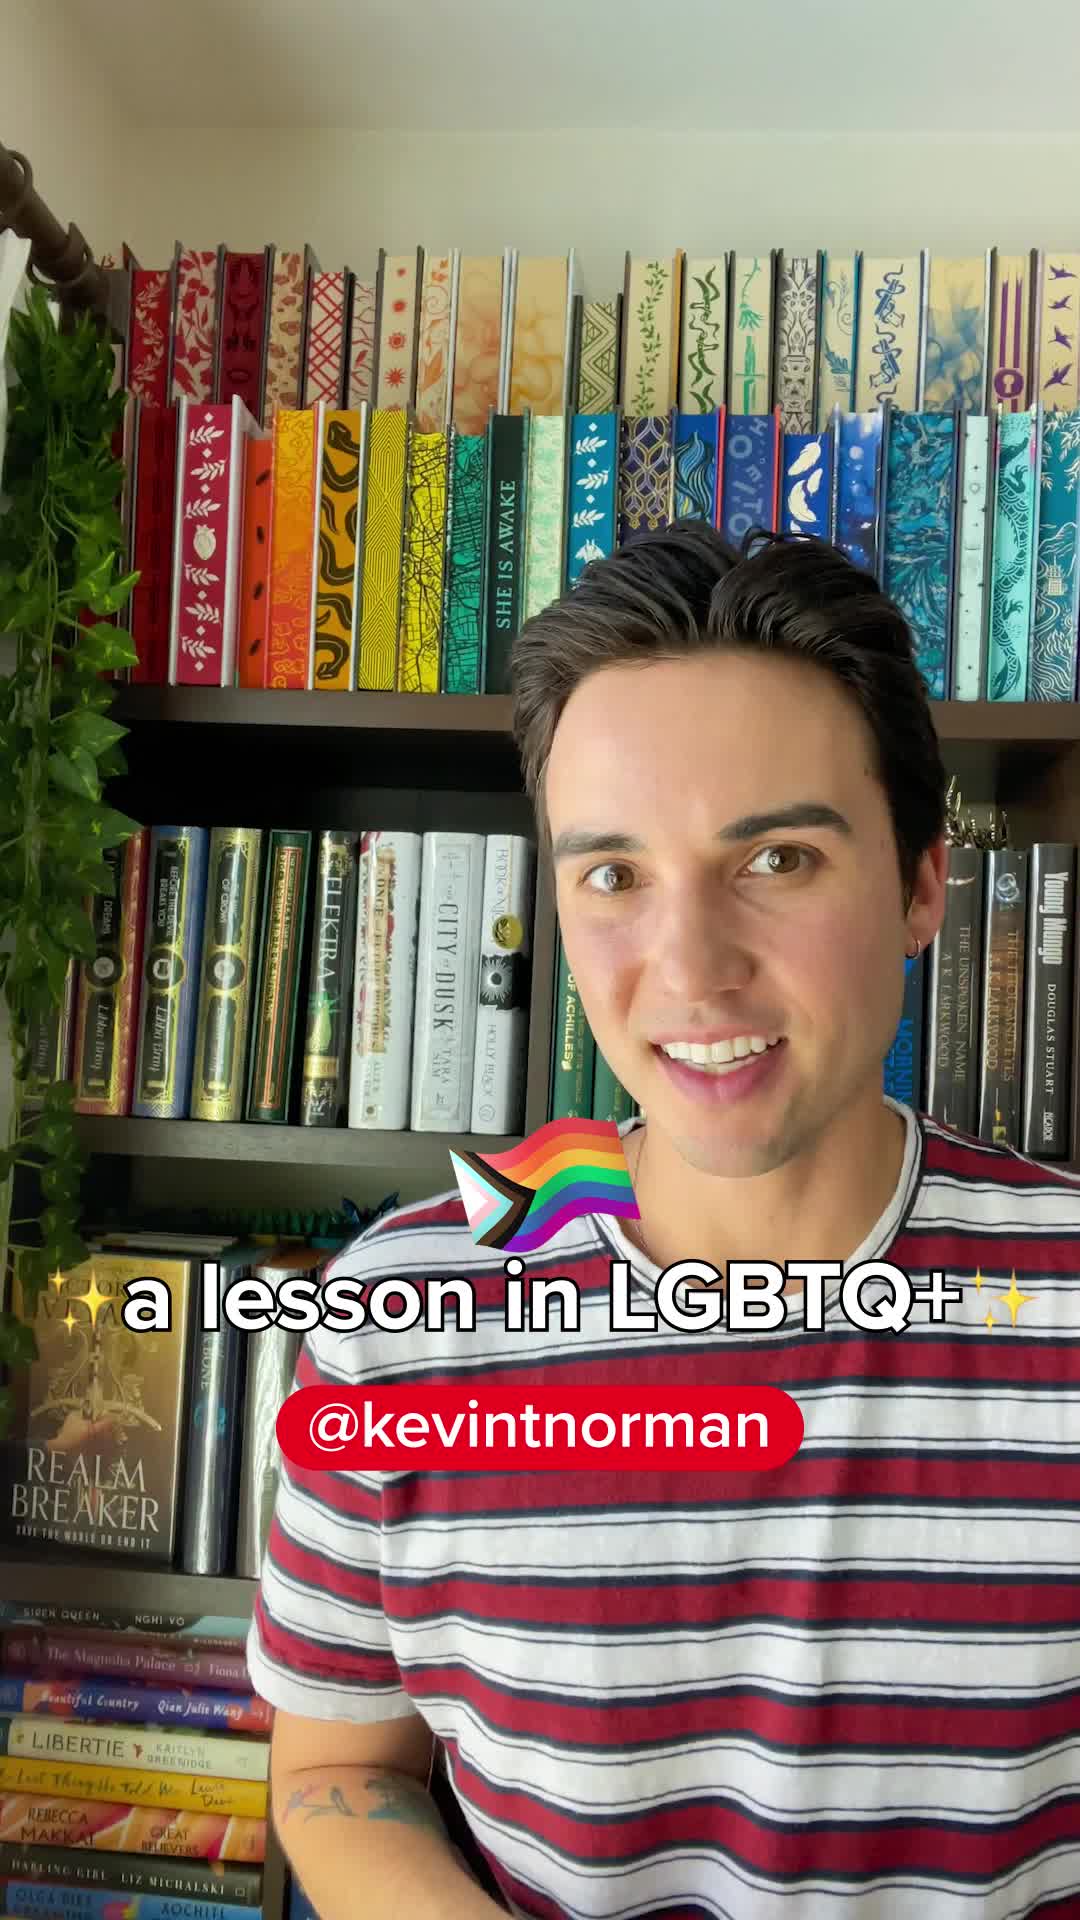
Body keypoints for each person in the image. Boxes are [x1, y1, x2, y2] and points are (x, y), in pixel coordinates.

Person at [246, 524, 1080, 1920]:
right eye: (615, 875)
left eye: (779, 860)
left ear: (924, 881)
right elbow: (339, 1767)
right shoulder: (398, 1323)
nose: (690, 971)